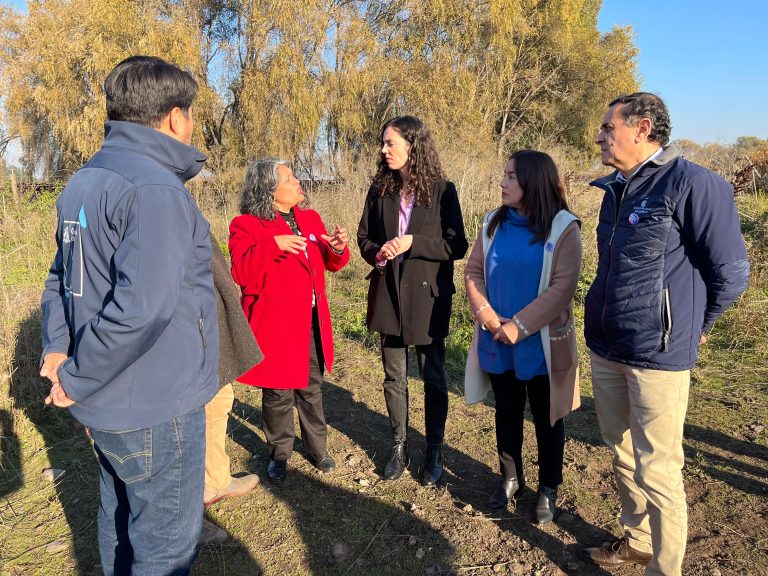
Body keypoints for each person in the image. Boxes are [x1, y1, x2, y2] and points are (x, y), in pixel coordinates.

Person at [40, 55, 218, 574]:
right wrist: (74, 375)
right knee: (163, 549)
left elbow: (61, 278)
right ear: (174, 117)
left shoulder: (85, 181)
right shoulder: (155, 188)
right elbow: (143, 311)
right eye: (191, 117)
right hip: (155, 404)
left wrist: (58, 345)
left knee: (118, 521)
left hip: (109, 403)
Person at [582, 92, 749, 574]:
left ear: (643, 128)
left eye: (607, 127)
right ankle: (637, 541)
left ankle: (665, 568)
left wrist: (697, 325)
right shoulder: (615, 188)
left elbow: (732, 272)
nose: (600, 136)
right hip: (610, 344)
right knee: (621, 452)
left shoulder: (693, 184)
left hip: (658, 352)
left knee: (658, 469)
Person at [464, 150, 581, 523]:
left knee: (549, 417)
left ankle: (549, 486)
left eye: (511, 176)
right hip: (496, 338)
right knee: (507, 412)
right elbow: (473, 271)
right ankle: (511, 477)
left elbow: (562, 287)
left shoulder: (564, 227)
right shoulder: (491, 224)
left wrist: (519, 326)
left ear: (534, 181)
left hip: (541, 344)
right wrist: (487, 316)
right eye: (504, 175)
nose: (503, 182)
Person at [357, 115, 468, 487]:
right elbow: (365, 238)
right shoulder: (379, 189)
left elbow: (457, 245)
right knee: (393, 375)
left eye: (390, 143)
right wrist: (379, 254)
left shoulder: (443, 190)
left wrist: (412, 243)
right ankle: (399, 445)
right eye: (383, 143)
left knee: (433, 376)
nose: (383, 150)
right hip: (388, 293)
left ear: (412, 145)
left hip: (427, 298)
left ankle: (434, 450)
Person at [229, 158, 350, 484]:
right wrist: (272, 245)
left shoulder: (309, 219)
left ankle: (317, 448)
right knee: (278, 394)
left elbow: (330, 262)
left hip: (310, 322)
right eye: (289, 178)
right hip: (275, 325)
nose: (298, 181)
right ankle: (279, 453)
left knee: (311, 389)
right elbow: (241, 273)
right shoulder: (247, 225)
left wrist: (337, 248)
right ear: (269, 190)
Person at [199, 233, 265, 545]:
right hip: (183, 326)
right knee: (176, 425)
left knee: (219, 399)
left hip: (206, 322)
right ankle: (180, 520)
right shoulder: (145, 197)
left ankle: (216, 480)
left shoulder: (170, 195)